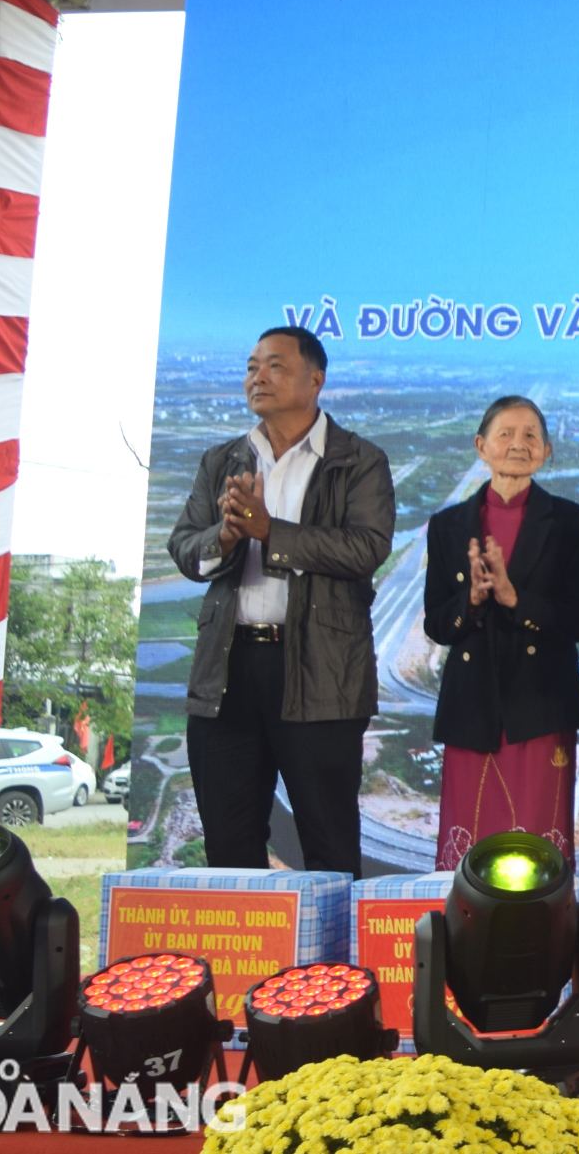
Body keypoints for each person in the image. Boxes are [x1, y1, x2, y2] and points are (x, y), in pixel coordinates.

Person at [166, 326, 394, 874]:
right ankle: (246, 958)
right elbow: (184, 547)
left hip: (320, 672)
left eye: (274, 366)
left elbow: (366, 548)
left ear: (315, 381)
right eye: (250, 367)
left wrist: (272, 531)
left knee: (327, 841)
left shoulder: (358, 460)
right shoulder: (222, 459)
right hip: (227, 670)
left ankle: (334, 962)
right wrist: (223, 539)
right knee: (229, 842)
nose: (257, 378)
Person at [423, 396, 579, 870]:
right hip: (471, 707)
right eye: (505, 434)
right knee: (470, 849)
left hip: (540, 705)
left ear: (547, 451)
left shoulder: (569, 521)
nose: (517, 445)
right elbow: (436, 624)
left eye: (530, 436)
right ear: (481, 446)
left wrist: (515, 599)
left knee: (539, 855)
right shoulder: (447, 526)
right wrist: (474, 601)